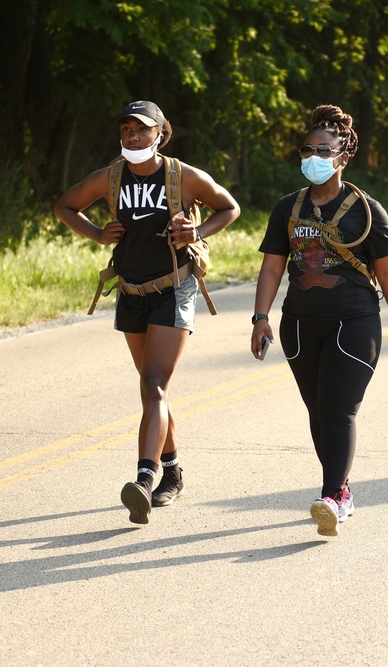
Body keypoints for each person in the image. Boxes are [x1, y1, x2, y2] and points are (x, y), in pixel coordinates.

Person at [54, 101, 241, 524]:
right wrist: (98, 234)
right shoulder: (111, 176)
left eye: (141, 129)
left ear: (161, 133)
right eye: (125, 130)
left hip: (174, 288)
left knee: (154, 382)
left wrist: (198, 230)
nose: (132, 137)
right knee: (151, 385)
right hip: (131, 289)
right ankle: (173, 472)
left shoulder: (182, 176)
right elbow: (65, 206)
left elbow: (229, 207)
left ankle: (143, 478)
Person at [251, 104, 388, 538]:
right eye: (308, 149)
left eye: (323, 150)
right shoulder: (287, 207)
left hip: (355, 324)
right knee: (318, 412)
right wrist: (260, 317)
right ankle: (341, 488)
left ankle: (331, 496)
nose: (313, 157)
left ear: (342, 157)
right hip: (300, 325)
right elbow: (271, 267)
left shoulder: (367, 210)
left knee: (339, 409)